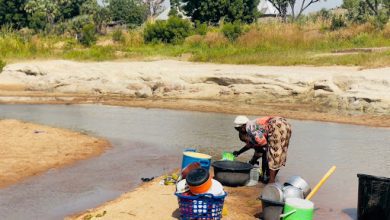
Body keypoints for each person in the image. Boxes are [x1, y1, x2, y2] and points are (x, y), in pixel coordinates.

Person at [232, 115, 292, 183]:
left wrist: (252, 163)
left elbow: (263, 145)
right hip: (285, 124)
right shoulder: (253, 124)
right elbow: (251, 145)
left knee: (273, 154)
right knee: (280, 152)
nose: (238, 131)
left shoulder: (250, 128)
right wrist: (239, 152)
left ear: (242, 127)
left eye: (238, 129)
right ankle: (271, 178)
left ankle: (271, 181)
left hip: (276, 125)